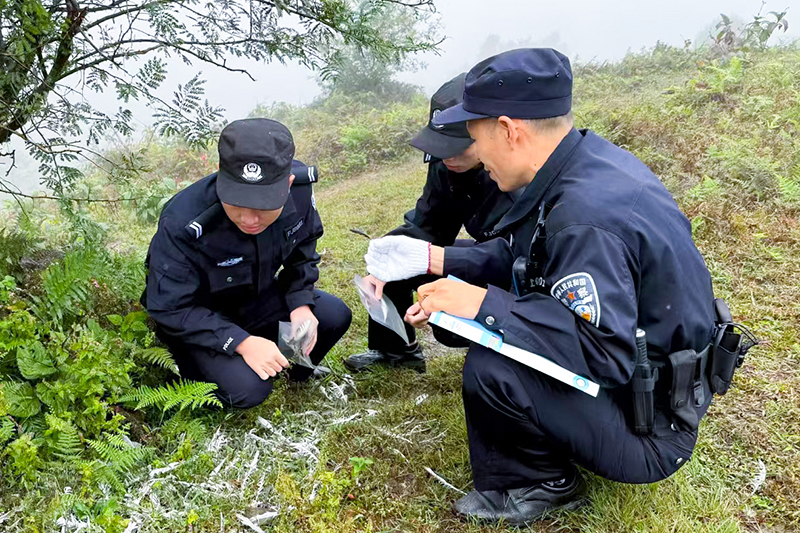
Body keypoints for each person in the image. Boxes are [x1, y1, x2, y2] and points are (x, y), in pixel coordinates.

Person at [366, 48, 721, 525]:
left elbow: (606, 353)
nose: (474, 158)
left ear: (510, 130)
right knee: (490, 328)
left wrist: (485, 305)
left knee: (494, 365)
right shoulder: (580, 165)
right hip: (656, 387)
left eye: (474, 138)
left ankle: (543, 482)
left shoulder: (584, 218)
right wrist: (449, 275)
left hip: (652, 428)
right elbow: (525, 255)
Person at [142, 118, 352, 409]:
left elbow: (303, 247)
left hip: (253, 301)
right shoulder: (183, 221)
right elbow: (171, 308)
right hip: (199, 319)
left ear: (287, 183)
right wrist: (240, 342)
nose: (250, 220)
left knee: (334, 315)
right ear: (220, 174)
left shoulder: (300, 190)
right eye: (238, 203)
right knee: (249, 391)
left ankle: (290, 370)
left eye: (264, 205)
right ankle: (215, 371)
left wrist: (301, 303)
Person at [345, 73, 514, 373]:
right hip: (488, 254)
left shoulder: (519, 172)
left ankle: (511, 345)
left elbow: (520, 254)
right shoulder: (445, 166)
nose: (446, 156)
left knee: (449, 328)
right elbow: (429, 224)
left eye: (457, 146)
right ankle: (398, 350)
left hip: (521, 270)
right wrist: (386, 260)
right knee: (397, 255)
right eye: (439, 145)